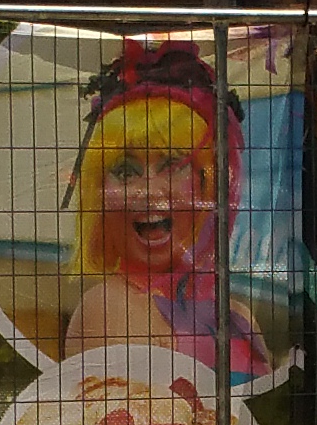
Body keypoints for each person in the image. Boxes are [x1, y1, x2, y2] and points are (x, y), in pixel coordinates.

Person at [58, 37, 265, 374]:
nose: (150, 191)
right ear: (99, 190)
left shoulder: (238, 315)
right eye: (126, 171)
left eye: (172, 164)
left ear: (208, 181)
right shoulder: (110, 307)